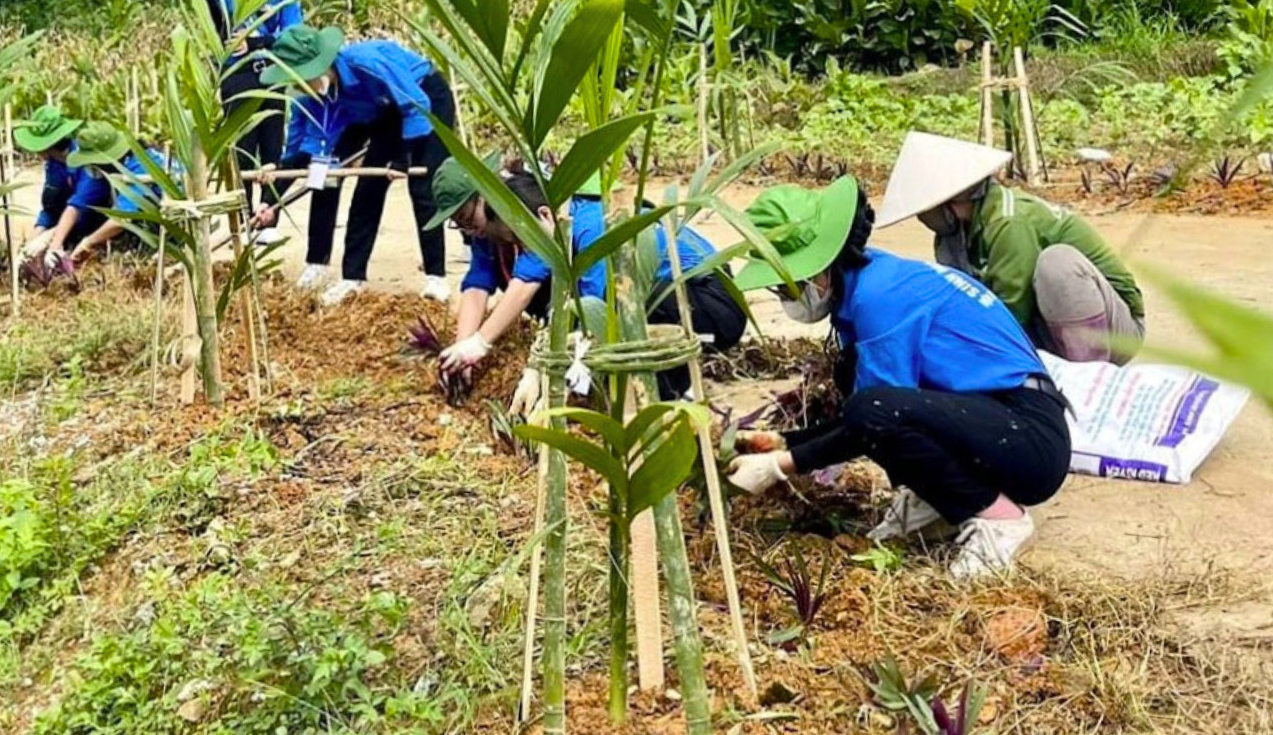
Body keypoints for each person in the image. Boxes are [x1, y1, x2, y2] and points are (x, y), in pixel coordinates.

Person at [725, 176, 1071, 580]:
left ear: (818, 269)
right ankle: (940, 500)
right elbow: (873, 409)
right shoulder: (870, 282)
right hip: (995, 422)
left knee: (874, 409)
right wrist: (786, 442)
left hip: (1028, 438)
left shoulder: (881, 298)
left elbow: (873, 416)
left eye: (787, 287)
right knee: (856, 381)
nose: (787, 298)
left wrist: (781, 465)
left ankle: (1000, 519)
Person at [426, 159, 750, 404]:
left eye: (522, 241)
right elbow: (483, 282)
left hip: (709, 301)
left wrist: (540, 369)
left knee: (615, 315)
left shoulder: (588, 229)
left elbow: (591, 313)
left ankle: (676, 393)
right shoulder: (546, 216)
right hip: (666, 299)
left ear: (543, 216)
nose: (523, 251)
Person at [878, 132, 1145, 363]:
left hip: (1115, 330)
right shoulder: (954, 240)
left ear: (948, 202)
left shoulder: (1009, 220)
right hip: (1047, 326)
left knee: (1057, 263)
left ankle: (1088, 381)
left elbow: (1011, 309)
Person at [256, 24, 455, 306]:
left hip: (425, 99)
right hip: (386, 111)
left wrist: (404, 157)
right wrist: (271, 198)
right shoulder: (321, 97)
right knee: (367, 191)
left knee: (422, 186)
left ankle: (437, 277)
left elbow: (415, 103)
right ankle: (353, 277)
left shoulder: (366, 64)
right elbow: (314, 150)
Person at [199, 0, 302, 244]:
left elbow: (293, 30)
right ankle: (241, 221)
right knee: (242, 147)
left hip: (270, 69)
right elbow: (212, 31)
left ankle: (268, 218)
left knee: (273, 144)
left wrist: (258, 41)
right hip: (235, 74)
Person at [15, 106, 115, 276]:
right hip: (66, 226)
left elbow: (79, 205)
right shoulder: (53, 164)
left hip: (96, 225)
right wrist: (32, 243)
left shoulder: (86, 159)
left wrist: (53, 245)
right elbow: (50, 207)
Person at [46, 122, 164, 265]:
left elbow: (121, 219)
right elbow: (77, 204)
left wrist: (88, 243)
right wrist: (55, 246)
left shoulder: (140, 168)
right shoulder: (107, 169)